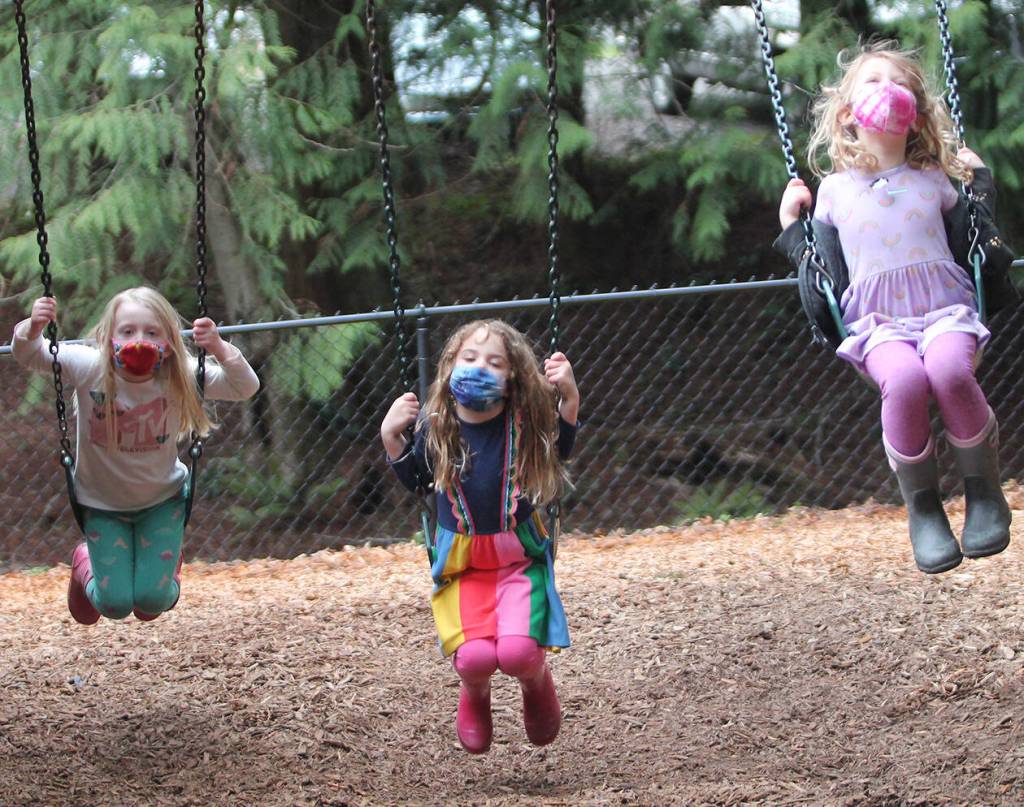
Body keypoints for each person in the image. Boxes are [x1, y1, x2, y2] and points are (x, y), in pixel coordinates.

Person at [776, 42, 1011, 574]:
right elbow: (818, 266)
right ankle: (923, 507)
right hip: (877, 323)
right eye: (872, 81)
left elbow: (976, 240)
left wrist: (980, 185)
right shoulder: (832, 191)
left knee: (950, 372)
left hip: (946, 308)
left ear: (916, 111)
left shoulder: (936, 180)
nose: (887, 90)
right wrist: (792, 224)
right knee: (904, 381)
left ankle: (983, 491)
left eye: (898, 82)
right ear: (847, 112)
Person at [381, 319, 579, 753]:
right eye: (469, 359)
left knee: (518, 653)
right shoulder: (436, 427)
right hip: (462, 565)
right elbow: (417, 481)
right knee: (473, 659)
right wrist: (391, 435)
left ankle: (535, 681)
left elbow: (560, 448)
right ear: (451, 365)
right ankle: (475, 694)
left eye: (494, 362)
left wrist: (569, 398)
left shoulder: (525, 424)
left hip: (519, 558)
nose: (479, 369)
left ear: (513, 379)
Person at [12, 287, 260, 622]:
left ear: (169, 342)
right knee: (113, 605)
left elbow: (245, 387)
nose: (138, 341)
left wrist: (217, 346)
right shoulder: (90, 367)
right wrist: (33, 328)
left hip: (162, 502)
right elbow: (31, 355)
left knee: (151, 603)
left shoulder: (178, 374)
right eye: (127, 331)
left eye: (152, 332)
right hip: (102, 505)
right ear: (107, 337)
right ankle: (84, 561)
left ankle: (161, 571)